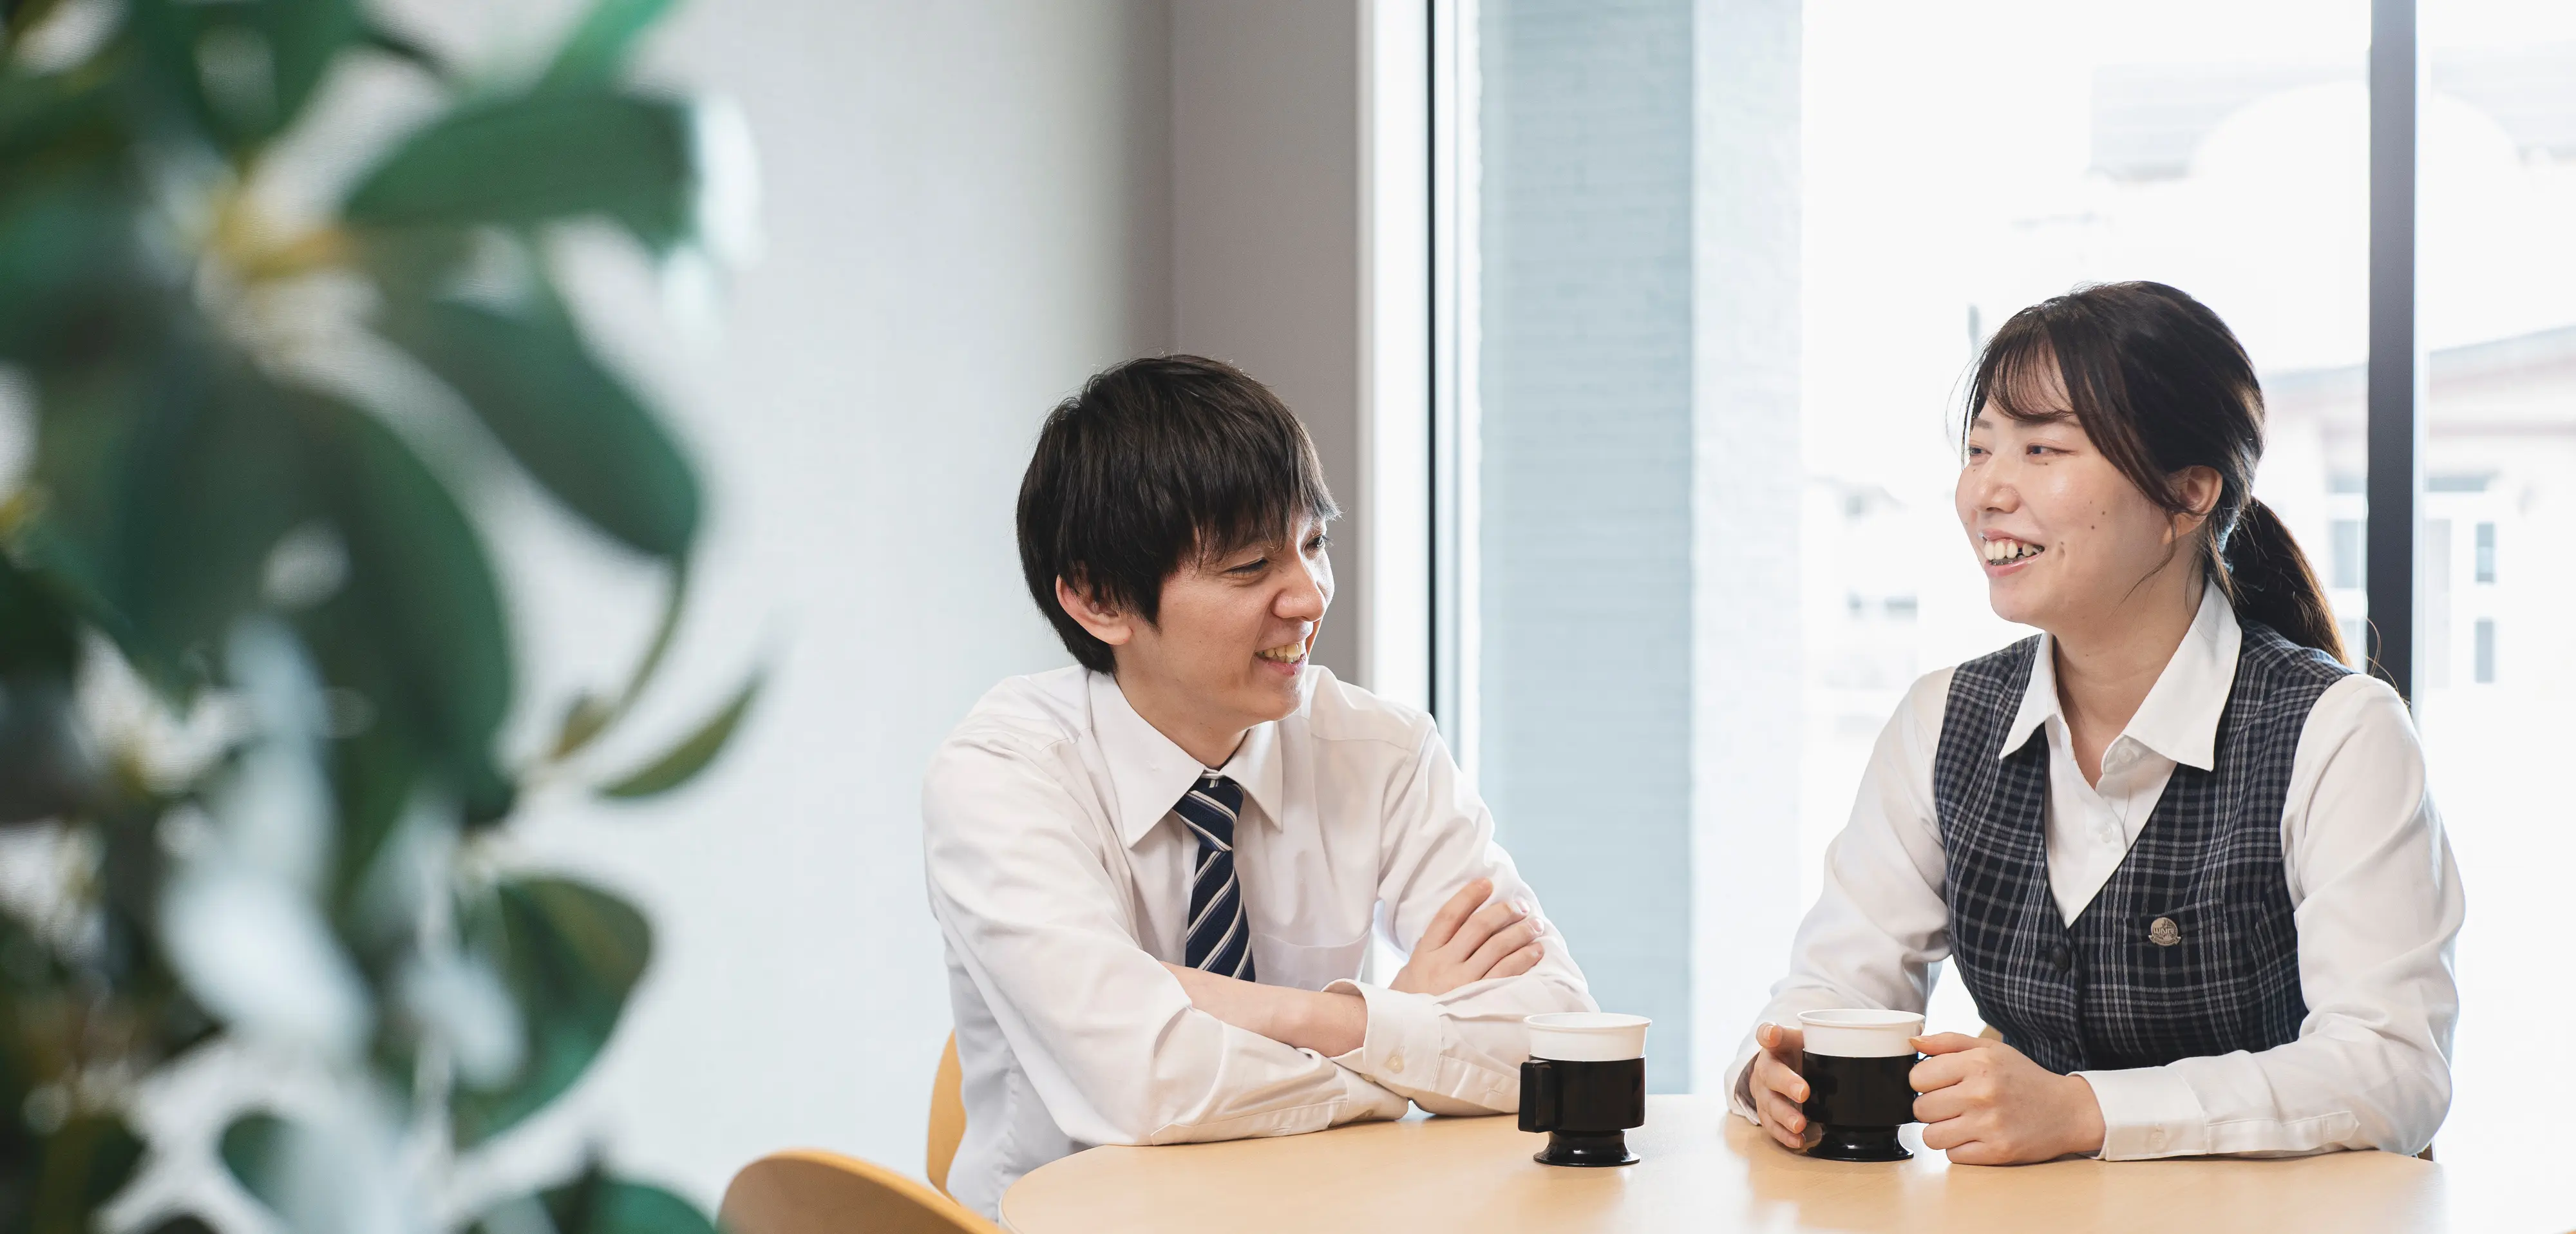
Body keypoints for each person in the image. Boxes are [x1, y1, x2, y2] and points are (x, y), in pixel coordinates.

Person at [1731, 281, 2463, 1164]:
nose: (1986, 490)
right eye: (1979, 448)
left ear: (2188, 495)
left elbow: (2392, 1072)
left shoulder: (2339, 733)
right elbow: (1836, 982)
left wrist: (2086, 1111)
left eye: (2042, 448)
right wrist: (1780, 1064)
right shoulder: (1942, 721)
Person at [924, 354, 1595, 1216]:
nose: (1308, 598)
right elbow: (1150, 1089)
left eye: (1314, 544)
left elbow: (1560, 1039)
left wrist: (1322, 1019)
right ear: (1099, 600)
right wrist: (1403, 1036)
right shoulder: (1003, 778)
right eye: (1250, 566)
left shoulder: (1381, 751)